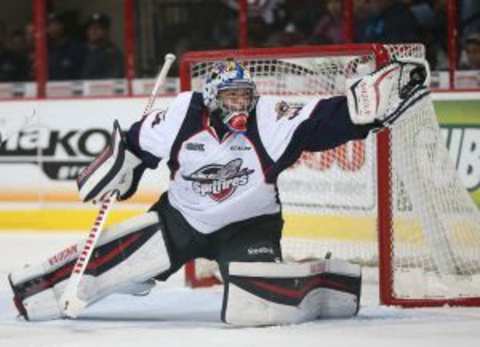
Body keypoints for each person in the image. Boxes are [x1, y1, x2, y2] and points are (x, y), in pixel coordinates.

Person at [8, 58, 430, 325]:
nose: (241, 104)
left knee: (254, 305)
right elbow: (136, 142)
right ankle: (36, 291)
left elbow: (320, 121)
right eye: (231, 97)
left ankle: (326, 282)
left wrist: (363, 108)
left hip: (249, 227)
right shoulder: (181, 115)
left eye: (246, 96)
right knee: (105, 267)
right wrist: (121, 168)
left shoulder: (271, 118)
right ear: (212, 98)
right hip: (181, 220)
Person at [81, 13, 124, 79]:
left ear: (106, 31)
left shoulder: (113, 54)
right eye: (90, 28)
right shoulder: (80, 50)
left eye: (98, 28)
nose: (93, 31)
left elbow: (112, 79)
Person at [47, 12, 85, 80]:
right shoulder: (47, 49)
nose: (52, 28)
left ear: (63, 26)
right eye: (49, 25)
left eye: (55, 24)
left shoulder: (76, 47)